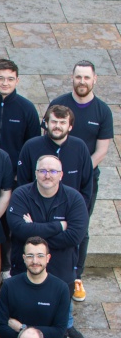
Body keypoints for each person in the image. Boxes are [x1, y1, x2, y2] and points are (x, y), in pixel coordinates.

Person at [6, 155, 89, 338]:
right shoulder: (21, 195)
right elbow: (17, 229)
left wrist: (33, 230)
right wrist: (58, 226)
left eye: (53, 171)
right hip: (23, 270)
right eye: (42, 170)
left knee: (59, 325)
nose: (47, 175)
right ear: (35, 173)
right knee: (19, 318)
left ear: (61, 175)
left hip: (61, 271)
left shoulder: (74, 198)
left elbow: (74, 235)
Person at [51, 60, 114, 300]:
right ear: (72, 78)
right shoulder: (59, 104)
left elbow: (101, 151)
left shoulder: (102, 111)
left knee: (81, 227)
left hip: (84, 180)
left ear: (95, 79)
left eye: (87, 77)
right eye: (78, 77)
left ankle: (76, 276)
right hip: (52, 179)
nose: (82, 82)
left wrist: (80, 171)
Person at [0, 236, 70, 338]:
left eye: (40, 256)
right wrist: (40, 337)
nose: (35, 261)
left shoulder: (61, 289)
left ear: (48, 258)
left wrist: (22, 328)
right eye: (30, 256)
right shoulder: (10, 285)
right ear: (24, 258)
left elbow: (58, 331)